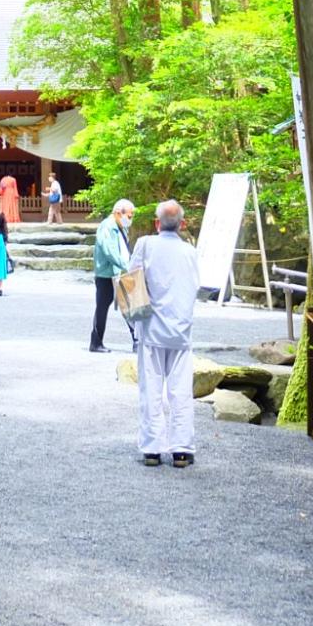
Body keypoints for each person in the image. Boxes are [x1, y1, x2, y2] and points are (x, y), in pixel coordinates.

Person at [131, 200, 202, 468]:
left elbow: (132, 278)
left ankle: (152, 448)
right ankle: (181, 448)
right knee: (180, 389)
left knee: (151, 388)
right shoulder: (190, 252)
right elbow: (196, 285)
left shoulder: (146, 245)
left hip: (151, 328)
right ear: (182, 224)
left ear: (156, 223)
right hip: (181, 329)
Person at [91, 200, 136, 353]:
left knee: (130, 305)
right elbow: (109, 250)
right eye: (129, 216)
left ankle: (137, 339)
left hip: (119, 271)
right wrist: (126, 265)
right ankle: (96, 342)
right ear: (118, 213)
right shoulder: (108, 226)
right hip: (107, 273)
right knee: (103, 306)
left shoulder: (119, 226)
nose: (130, 219)